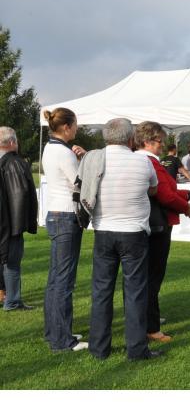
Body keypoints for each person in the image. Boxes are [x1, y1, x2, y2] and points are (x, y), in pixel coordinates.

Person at [88, 118, 161, 360]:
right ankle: (136, 349)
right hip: (133, 232)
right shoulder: (142, 161)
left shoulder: (95, 159)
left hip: (103, 230)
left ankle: (99, 348)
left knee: (101, 291)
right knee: (135, 292)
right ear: (131, 139)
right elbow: (153, 188)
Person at [134, 122, 190, 344]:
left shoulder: (144, 160)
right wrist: (186, 207)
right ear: (147, 141)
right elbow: (166, 195)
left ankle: (147, 319)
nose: (163, 145)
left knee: (146, 276)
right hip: (157, 225)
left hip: (149, 223)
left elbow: (168, 191)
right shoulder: (150, 162)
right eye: (160, 141)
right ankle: (151, 326)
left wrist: (186, 196)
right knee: (152, 277)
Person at [41, 108, 89, 351]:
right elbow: (80, 184)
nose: (77, 129)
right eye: (76, 124)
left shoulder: (50, 148)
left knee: (55, 279)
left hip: (56, 213)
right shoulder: (64, 152)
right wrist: (85, 160)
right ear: (67, 126)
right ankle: (61, 339)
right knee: (63, 280)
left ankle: (55, 332)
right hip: (66, 215)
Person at [0, 127, 38, 311]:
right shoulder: (15, 163)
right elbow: (20, 195)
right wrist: (20, 225)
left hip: (5, 222)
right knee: (12, 262)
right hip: (10, 223)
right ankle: (13, 301)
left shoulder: (5, 163)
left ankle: (6, 296)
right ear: (12, 142)